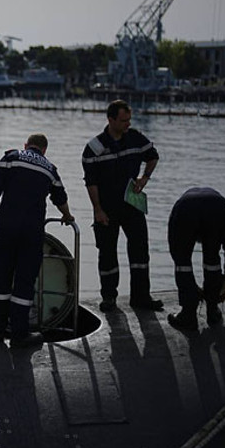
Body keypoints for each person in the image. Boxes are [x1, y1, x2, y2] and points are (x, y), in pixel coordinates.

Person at [0, 134, 74, 348]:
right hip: (31, 230)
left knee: (1, 275)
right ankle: (20, 333)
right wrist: (67, 216)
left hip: (7, 226)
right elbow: (61, 198)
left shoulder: (11, 158)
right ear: (44, 150)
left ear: (26, 146)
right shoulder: (50, 168)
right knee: (24, 279)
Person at [82, 99, 162, 312]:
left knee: (140, 251)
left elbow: (153, 156)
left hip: (131, 204)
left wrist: (145, 177)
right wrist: (97, 209)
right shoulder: (94, 148)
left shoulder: (135, 138)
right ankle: (109, 298)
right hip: (106, 207)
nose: (128, 124)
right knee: (107, 253)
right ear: (111, 120)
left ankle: (141, 297)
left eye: (129, 119)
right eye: (123, 120)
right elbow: (91, 182)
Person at [166, 187, 225, 331]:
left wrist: (190, 286)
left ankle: (187, 315)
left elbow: (176, 251)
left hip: (186, 209)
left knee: (182, 263)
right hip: (215, 208)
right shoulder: (222, 213)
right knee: (212, 259)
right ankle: (213, 310)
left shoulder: (179, 210)